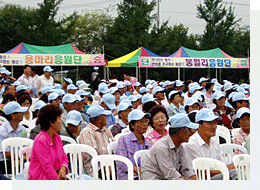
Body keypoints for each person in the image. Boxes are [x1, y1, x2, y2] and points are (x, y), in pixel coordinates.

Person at [183, 108, 237, 180]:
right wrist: (227, 168)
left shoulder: (214, 141)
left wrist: (226, 168)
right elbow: (202, 173)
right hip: (205, 180)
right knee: (235, 173)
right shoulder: (191, 144)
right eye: (210, 123)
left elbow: (222, 163)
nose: (214, 126)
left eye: (215, 122)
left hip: (221, 176)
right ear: (199, 125)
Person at [141, 113, 198, 180]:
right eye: (189, 130)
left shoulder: (180, 147)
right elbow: (171, 175)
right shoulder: (161, 147)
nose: (191, 133)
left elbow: (186, 169)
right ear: (181, 133)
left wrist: (195, 180)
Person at [28, 105, 69, 180]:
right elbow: (47, 167)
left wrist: (63, 169)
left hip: (56, 176)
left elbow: (64, 157)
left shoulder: (57, 138)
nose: (61, 122)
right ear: (51, 122)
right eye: (59, 118)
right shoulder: (40, 140)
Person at [116, 109, 152, 180]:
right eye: (141, 122)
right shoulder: (124, 139)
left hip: (144, 176)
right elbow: (121, 161)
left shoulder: (147, 143)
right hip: (128, 176)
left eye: (146, 121)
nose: (145, 124)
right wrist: (136, 170)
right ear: (132, 125)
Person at [78, 105, 113, 177]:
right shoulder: (87, 132)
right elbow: (93, 152)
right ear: (99, 118)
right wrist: (106, 164)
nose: (106, 118)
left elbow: (113, 145)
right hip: (97, 167)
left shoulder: (105, 130)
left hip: (109, 163)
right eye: (104, 116)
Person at [0, 101, 28, 174]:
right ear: (13, 115)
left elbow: (27, 149)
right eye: (20, 112)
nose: (22, 114)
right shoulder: (2, 131)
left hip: (21, 160)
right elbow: (7, 153)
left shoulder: (23, 130)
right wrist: (21, 157)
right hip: (5, 162)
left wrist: (21, 158)